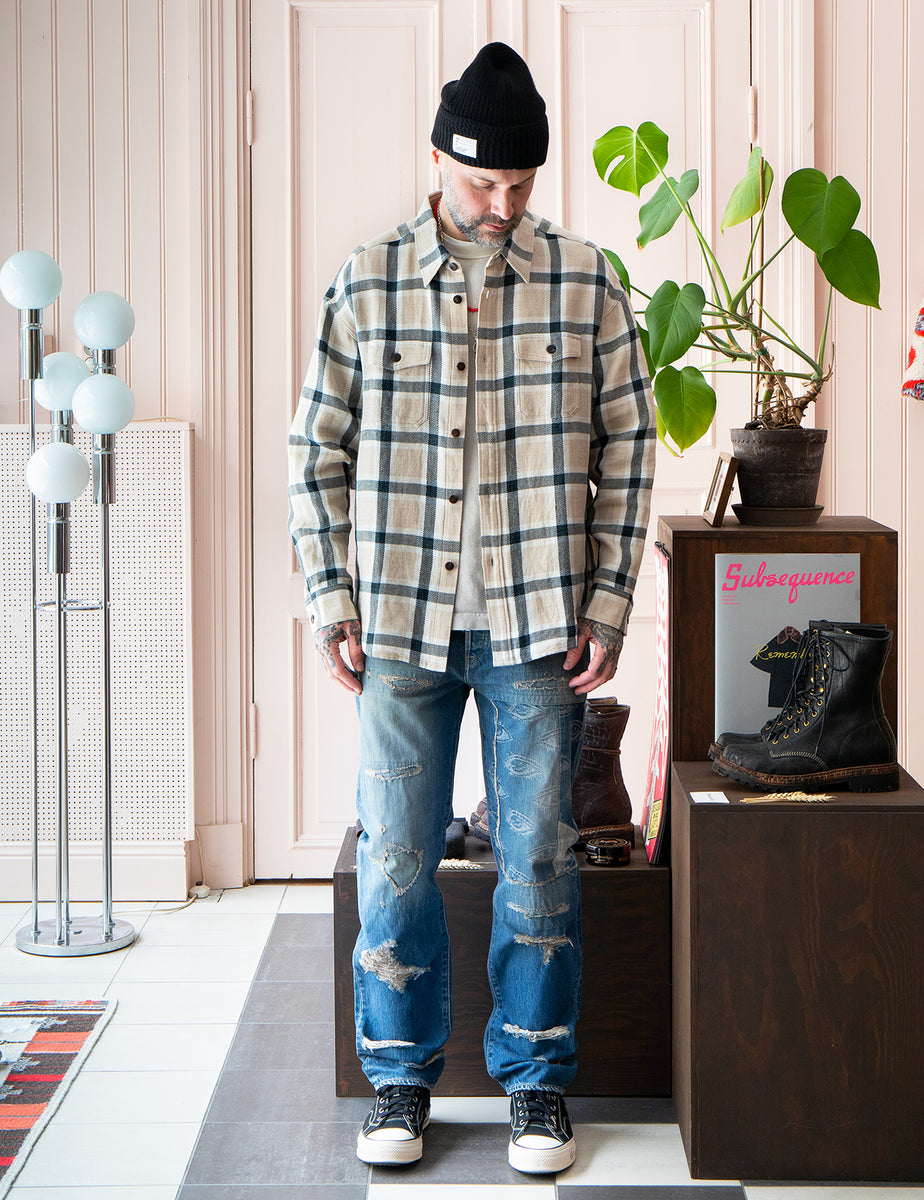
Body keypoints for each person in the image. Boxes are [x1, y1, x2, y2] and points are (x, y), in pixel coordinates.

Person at [288, 41, 654, 1175]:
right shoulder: (367, 280)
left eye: (520, 185)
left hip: (538, 623)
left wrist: (608, 599)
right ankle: (399, 1081)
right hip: (398, 620)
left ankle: (536, 1084)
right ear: (439, 158)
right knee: (397, 858)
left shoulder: (585, 281)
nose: (502, 206)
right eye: (483, 181)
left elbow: (630, 447)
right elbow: (315, 452)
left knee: (538, 858)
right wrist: (329, 597)